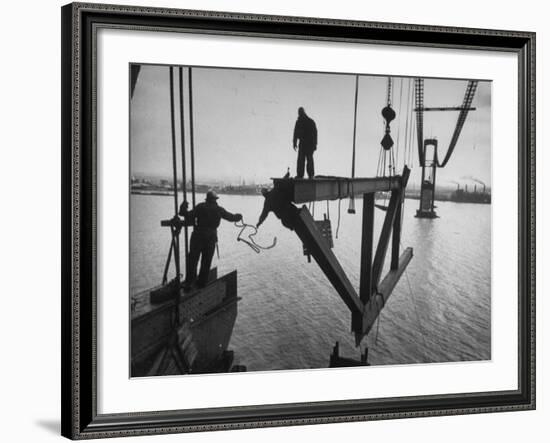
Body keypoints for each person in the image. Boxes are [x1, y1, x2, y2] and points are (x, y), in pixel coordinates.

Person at [179, 190, 242, 289]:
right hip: (210, 238)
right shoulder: (219, 209)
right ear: (215, 200)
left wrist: (183, 208)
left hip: (197, 236)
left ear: (207, 199)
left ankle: (189, 282)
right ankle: (201, 284)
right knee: (206, 261)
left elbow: (185, 214)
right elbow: (231, 217)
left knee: (193, 259)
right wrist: (239, 216)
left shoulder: (200, 207)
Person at [293, 107, 318, 179]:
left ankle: (310, 174)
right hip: (304, 144)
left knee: (308, 160)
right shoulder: (299, 122)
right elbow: (295, 133)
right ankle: (301, 174)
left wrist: (315, 144)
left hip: (309, 144)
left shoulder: (310, 122)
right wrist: (294, 143)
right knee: (301, 160)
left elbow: (315, 134)